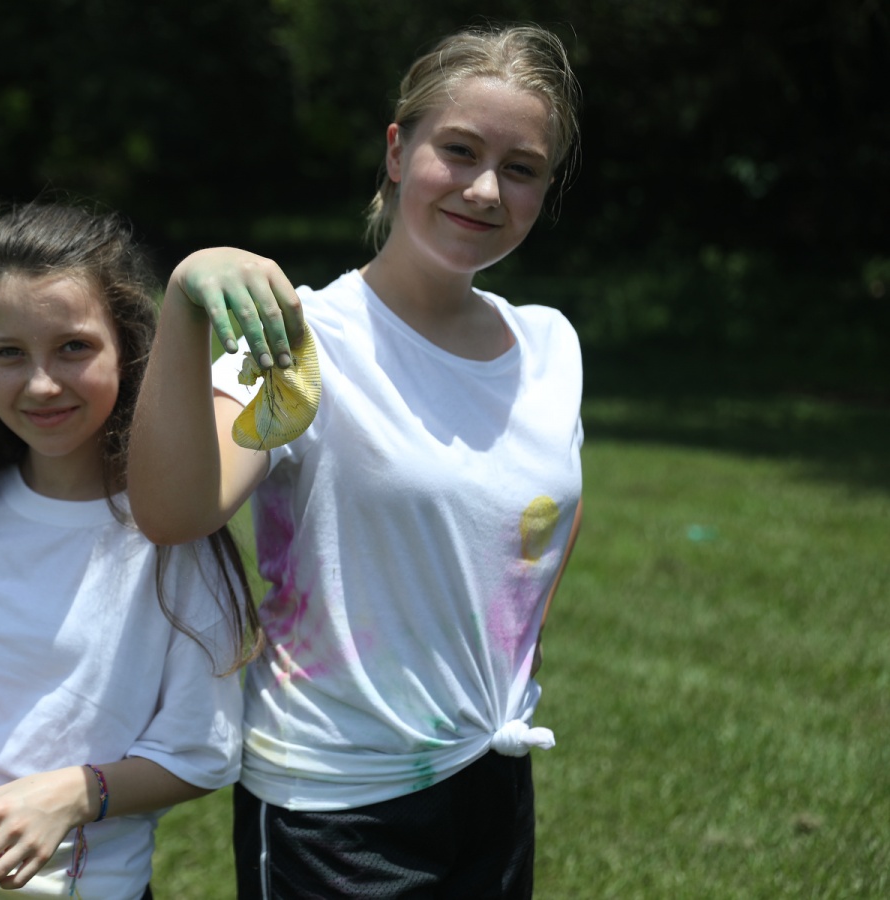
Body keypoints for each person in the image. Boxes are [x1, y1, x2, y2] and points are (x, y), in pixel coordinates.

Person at [127, 24, 585, 898]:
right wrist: (186, 300)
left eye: (521, 168)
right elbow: (173, 511)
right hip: (334, 802)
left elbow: (547, 515)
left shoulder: (550, 346)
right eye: (459, 151)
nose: (485, 189)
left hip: (490, 774)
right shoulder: (302, 341)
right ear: (398, 151)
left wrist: (508, 669)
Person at [0, 202, 261, 898]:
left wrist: (72, 795)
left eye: (73, 348)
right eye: (9, 353)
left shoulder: (170, 537)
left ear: (130, 350)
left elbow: (200, 753)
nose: (40, 383)